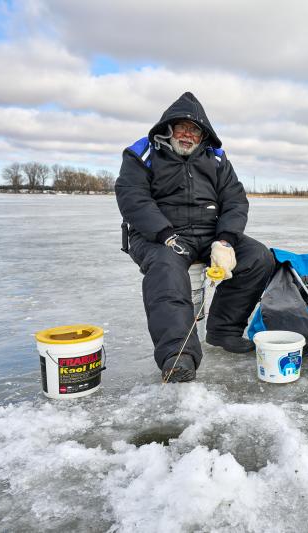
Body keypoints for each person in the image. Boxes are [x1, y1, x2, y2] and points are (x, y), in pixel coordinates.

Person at [116, 92, 274, 383]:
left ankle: (223, 330)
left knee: (259, 257)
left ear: (204, 135)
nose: (187, 134)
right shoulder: (142, 153)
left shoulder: (215, 158)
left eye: (195, 129)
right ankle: (178, 354)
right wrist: (164, 235)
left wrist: (225, 240)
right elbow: (133, 198)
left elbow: (235, 201)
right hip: (157, 235)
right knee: (166, 268)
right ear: (168, 128)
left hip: (208, 233)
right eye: (181, 127)